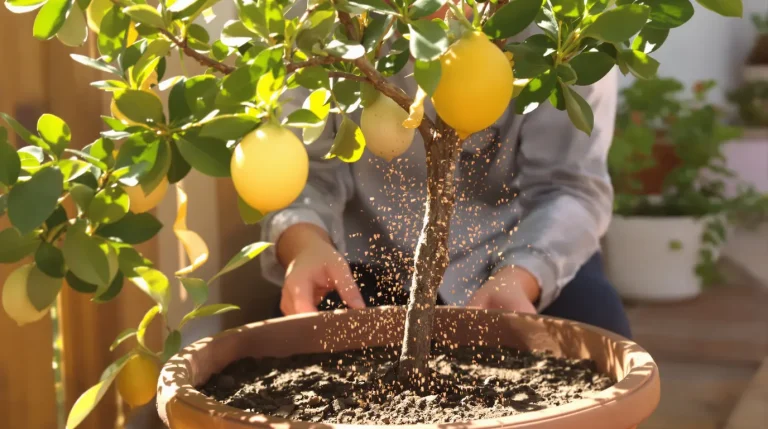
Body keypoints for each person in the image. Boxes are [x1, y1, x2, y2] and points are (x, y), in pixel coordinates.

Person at [259, 30, 632, 339]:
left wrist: (522, 275)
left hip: (517, 254)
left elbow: (570, 187)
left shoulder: (566, 33)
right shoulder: (323, 23)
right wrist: (305, 244)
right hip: (363, 263)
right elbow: (302, 170)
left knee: (596, 327)